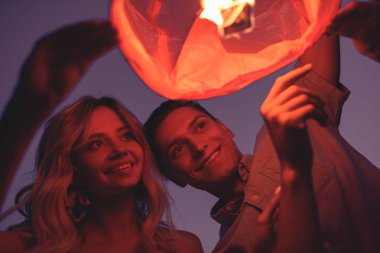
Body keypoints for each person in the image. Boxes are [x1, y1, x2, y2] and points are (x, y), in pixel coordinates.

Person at [144, 25, 380, 253]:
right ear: (175, 178)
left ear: (224, 127)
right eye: (178, 150)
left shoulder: (286, 127)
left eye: (200, 126)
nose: (198, 146)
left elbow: (321, 27)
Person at [0, 22, 203, 253]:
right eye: (96, 144)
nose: (119, 150)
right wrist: (26, 108)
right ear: (72, 167)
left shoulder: (183, 247)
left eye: (126, 136)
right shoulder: (33, 245)